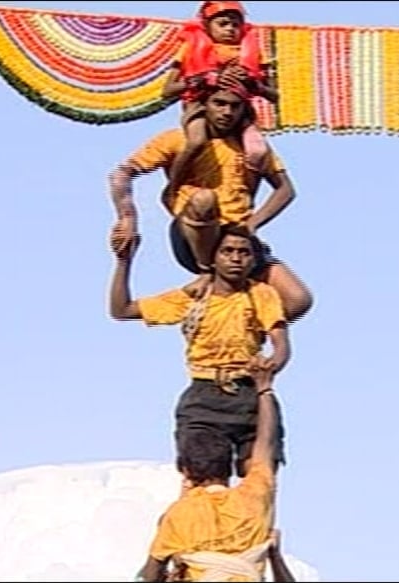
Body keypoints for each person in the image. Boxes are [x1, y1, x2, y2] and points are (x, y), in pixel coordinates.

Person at [108, 84, 313, 324]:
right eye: (219, 104)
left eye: (234, 106)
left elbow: (286, 189)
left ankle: (237, 330)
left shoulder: (251, 147)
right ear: (204, 105)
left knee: (298, 299)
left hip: (237, 235)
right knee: (205, 199)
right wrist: (127, 218)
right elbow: (121, 174)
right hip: (196, 233)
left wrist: (252, 224)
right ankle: (208, 270)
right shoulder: (177, 139)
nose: (227, 112)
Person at [109, 223, 290, 481]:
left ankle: (257, 522)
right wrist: (123, 261)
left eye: (244, 252)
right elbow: (122, 310)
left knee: (260, 477)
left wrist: (272, 364)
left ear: (253, 260)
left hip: (249, 392)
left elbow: (280, 341)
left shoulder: (261, 294)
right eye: (227, 251)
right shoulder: (194, 297)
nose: (236, 258)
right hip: (205, 395)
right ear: (212, 260)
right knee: (203, 478)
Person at [133, 356, 291, 582]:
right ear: (230, 467)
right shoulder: (254, 497)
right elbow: (266, 442)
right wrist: (264, 389)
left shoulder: (179, 515)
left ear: (184, 469)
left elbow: (150, 576)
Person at [161, 1, 278, 198]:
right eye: (223, 24)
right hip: (199, 106)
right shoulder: (190, 47)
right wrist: (204, 79)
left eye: (235, 25)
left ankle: (245, 199)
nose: (230, 29)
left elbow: (274, 95)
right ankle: (173, 188)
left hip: (241, 112)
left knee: (258, 151)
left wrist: (253, 84)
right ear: (207, 26)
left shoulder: (254, 50)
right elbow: (168, 91)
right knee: (197, 141)